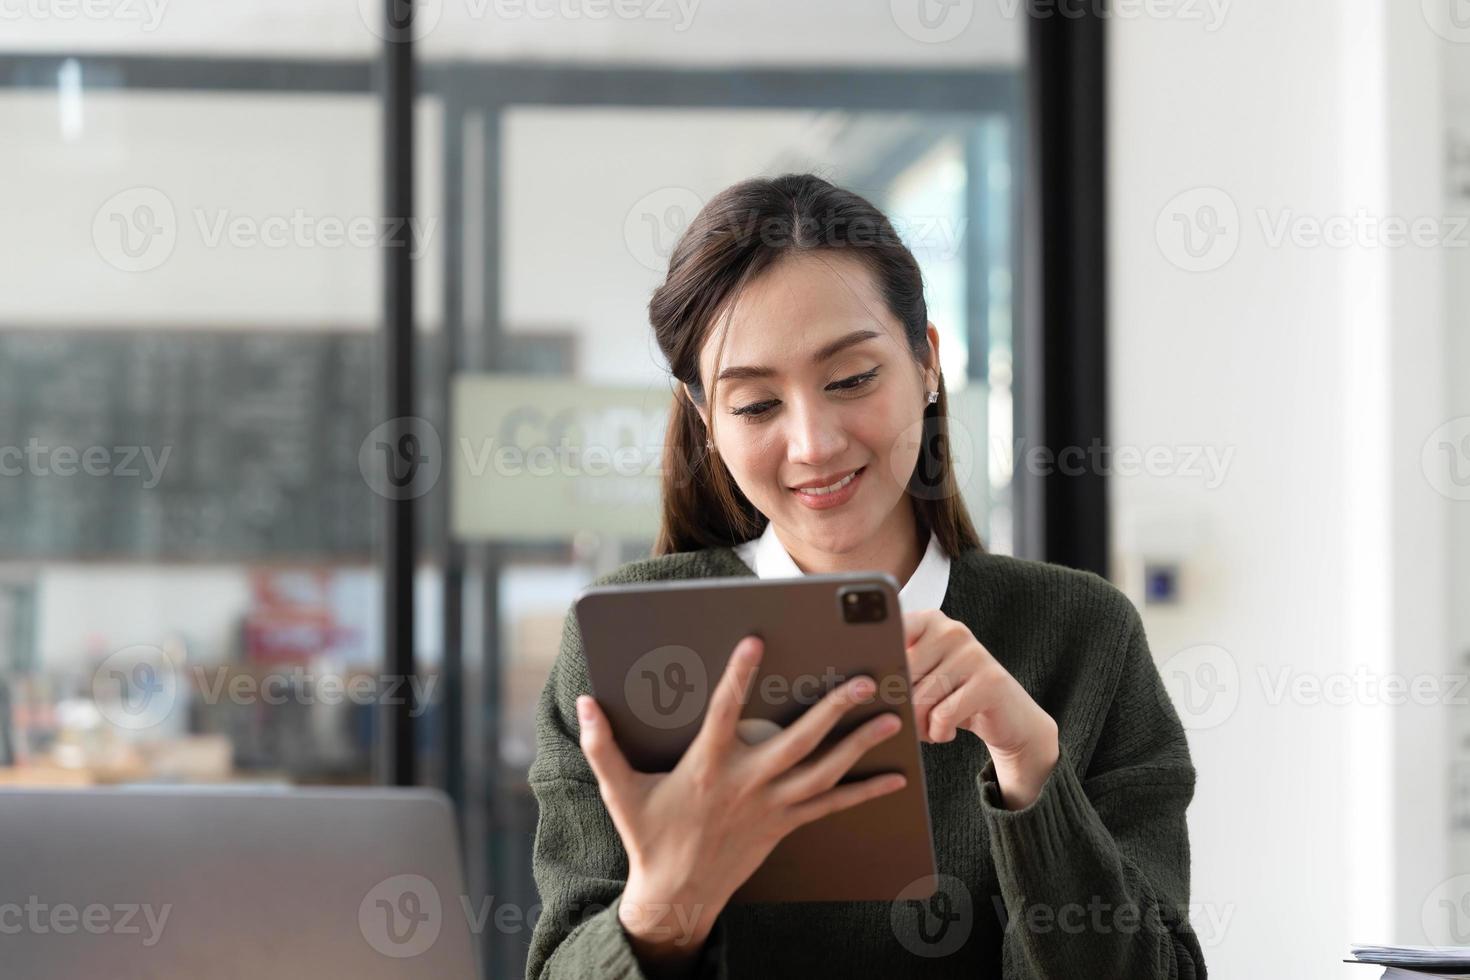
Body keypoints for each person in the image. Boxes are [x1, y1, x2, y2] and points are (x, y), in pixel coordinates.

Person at [526, 173, 1205, 979]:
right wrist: (665, 905)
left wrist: (1033, 780)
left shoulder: (1082, 637)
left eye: (850, 380)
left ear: (926, 364)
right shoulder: (626, 639)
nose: (812, 443)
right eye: (754, 406)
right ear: (705, 416)